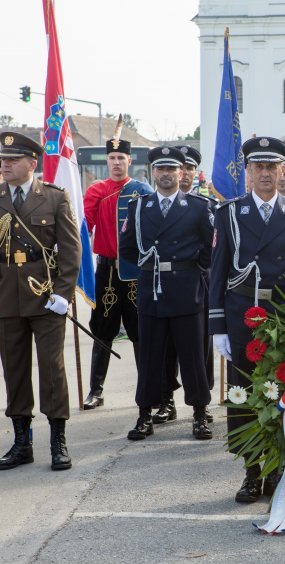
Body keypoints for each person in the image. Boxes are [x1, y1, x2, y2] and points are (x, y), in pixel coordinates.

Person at [209, 136, 285, 503]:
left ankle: (283, 469)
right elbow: (218, 273)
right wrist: (218, 326)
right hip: (244, 318)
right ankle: (251, 471)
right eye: (259, 167)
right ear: (248, 173)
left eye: (273, 167)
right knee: (244, 398)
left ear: (284, 171)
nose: (267, 173)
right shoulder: (229, 214)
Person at [119, 146, 214, 442]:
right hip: (152, 291)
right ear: (152, 173)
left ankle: (199, 415)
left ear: (181, 173)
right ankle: (145, 414)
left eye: (171, 169)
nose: (165, 174)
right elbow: (128, 248)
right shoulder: (139, 206)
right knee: (150, 357)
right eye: (160, 169)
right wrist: (153, 267)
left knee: (193, 358)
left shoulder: (198, 206)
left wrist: (187, 267)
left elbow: (210, 250)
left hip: (187, 290)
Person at [0, 132, 81, 471]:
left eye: (12, 160)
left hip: (46, 298)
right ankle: (22, 442)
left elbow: (71, 249)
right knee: (14, 371)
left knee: (51, 371)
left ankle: (57, 440)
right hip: (6, 299)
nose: (5, 165)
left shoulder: (53, 197)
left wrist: (63, 295)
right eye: (3, 160)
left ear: (32, 163)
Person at [81, 138, 154, 410]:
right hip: (107, 271)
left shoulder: (142, 190)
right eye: (112, 158)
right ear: (107, 161)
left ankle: (147, 390)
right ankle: (95, 390)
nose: (116, 162)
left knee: (140, 332)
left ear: (129, 161)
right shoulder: (96, 191)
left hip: (135, 272)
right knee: (102, 330)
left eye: (121, 158)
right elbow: (84, 227)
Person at [153, 146, 216, 425]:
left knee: (198, 349)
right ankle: (166, 399)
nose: (186, 172)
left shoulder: (205, 205)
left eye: (190, 168)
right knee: (165, 349)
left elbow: (211, 247)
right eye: (183, 167)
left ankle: (202, 402)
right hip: (163, 285)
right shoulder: (152, 203)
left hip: (196, 281)